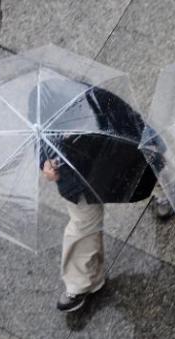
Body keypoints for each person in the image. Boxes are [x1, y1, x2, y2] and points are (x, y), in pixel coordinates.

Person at [36, 80, 157, 312]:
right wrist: (45, 163)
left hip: (113, 159)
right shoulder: (41, 99)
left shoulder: (98, 100)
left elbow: (134, 131)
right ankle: (82, 283)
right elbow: (39, 139)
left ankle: (166, 190)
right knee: (82, 225)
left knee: (147, 172)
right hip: (76, 179)